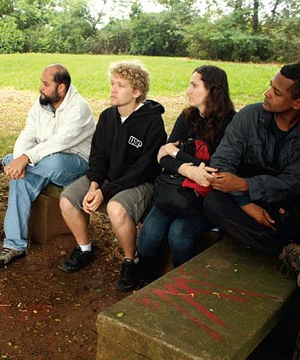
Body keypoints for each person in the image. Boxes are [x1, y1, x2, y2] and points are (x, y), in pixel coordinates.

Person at [59, 60, 167, 292]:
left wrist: (105, 192)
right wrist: (94, 183)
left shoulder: (152, 121)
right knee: (68, 199)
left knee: (116, 208)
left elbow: (143, 169)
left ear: (137, 92)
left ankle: (131, 261)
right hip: (106, 179)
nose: (113, 89)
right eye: (112, 83)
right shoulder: (108, 117)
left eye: (120, 85)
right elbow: (97, 155)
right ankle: (85, 249)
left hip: (139, 183)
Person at [0, 64, 96, 267]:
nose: (40, 87)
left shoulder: (79, 108)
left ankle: (5, 161)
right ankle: (14, 244)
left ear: (61, 87)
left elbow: (60, 143)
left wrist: (21, 159)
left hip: (74, 164)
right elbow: (29, 133)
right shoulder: (42, 103)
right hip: (42, 160)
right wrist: (19, 158)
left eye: (45, 83)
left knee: (53, 161)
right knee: (20, 177)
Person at [136, 65, 236, 285]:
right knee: (148, 235)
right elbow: (162, 157)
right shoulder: (187, 117)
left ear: (212, 90)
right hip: (174, 189)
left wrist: (176, 153)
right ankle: (147, 281)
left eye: (194, 85)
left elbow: (214, 171)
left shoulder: (231, 123)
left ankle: (184, 285)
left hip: (204, 198)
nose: (188, 91)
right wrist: (188, 168)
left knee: (179, 235)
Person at [203, 63, 300, 286]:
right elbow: (221, 165)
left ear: (297, 103)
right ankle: (286, 250)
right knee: (213, 203)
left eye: (276, 92)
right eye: (270, 86)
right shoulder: (249, 116)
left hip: (288, 203)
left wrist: (245, 184)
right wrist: (246, 202)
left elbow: (295, 182)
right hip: (247, 203)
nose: (266, 94)